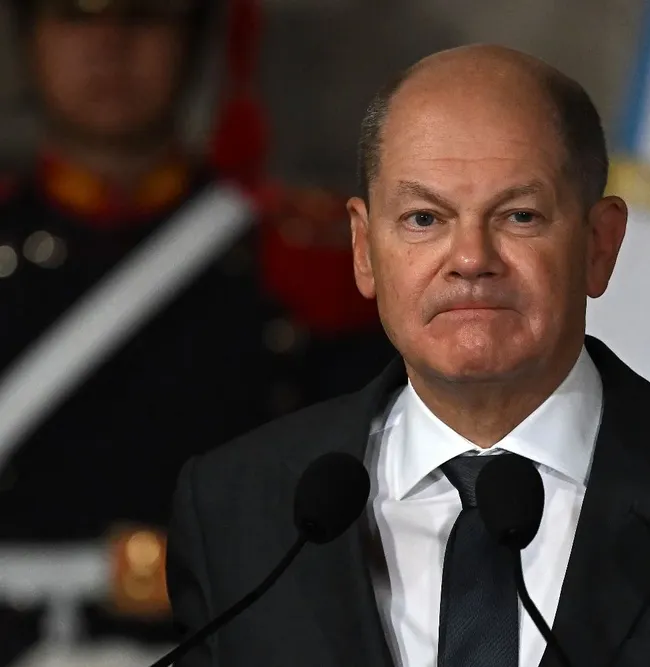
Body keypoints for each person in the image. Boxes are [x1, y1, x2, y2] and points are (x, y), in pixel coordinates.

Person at [165, 45, 650, 667]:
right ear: (364, 248)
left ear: (600, 244)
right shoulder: (240, 509)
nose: (471, 259)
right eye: (425, 218)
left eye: (519, 215)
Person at [0, 0, 394, 662]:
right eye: (74, 13)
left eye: (145, 15)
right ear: (26, 35)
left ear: (199, 37)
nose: (109, 43)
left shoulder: (301, 268)